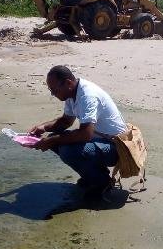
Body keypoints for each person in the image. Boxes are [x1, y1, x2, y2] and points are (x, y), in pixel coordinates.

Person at [29, 65, 128, 195]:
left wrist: (50, 141)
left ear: (68, 83)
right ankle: (94, 176)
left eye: (54, 90)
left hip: (116, 147)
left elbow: (85, 134)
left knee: (67, 150)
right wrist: (43, 127)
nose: (53, 94)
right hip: (100, 139)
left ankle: (102, 182)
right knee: (55, 139)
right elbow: (66, 121)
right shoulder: (72, 93)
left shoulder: (87, 96)